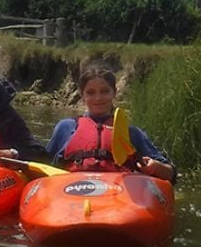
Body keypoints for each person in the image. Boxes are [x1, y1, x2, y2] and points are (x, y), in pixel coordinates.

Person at [45, 64, 176, 181]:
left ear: (114, 92)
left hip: (118, 196)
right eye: (91, 92)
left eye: (104, 91)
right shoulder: (66, 128)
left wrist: (155, 167)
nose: (98, 98)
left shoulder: (131, 132)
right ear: (82, 94)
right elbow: (42, 168)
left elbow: (170, 174)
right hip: (71, 192)